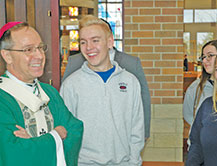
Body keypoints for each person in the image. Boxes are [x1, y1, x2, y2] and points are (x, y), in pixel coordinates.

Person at [60, 15, 145, 166]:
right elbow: (65, 131)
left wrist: (133, 162)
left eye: (95, 40)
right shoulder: (71, 85)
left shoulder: (130, 82)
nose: (89, 47)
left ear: (110, 42)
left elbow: (136, 129)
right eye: (83, 42)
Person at [0, 22, 83, 166]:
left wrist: (34, 142)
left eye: (40, 48)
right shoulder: (3, 98)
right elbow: (12, 151)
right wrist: (56, 136)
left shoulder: (49, 92)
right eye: (28, 50)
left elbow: (74, 129)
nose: (39, 55)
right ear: (7, 56)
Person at [183, 40, 217, 125]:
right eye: (203, 57)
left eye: (210, 55)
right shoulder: (195, 87)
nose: (204, 61)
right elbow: (188, 116)